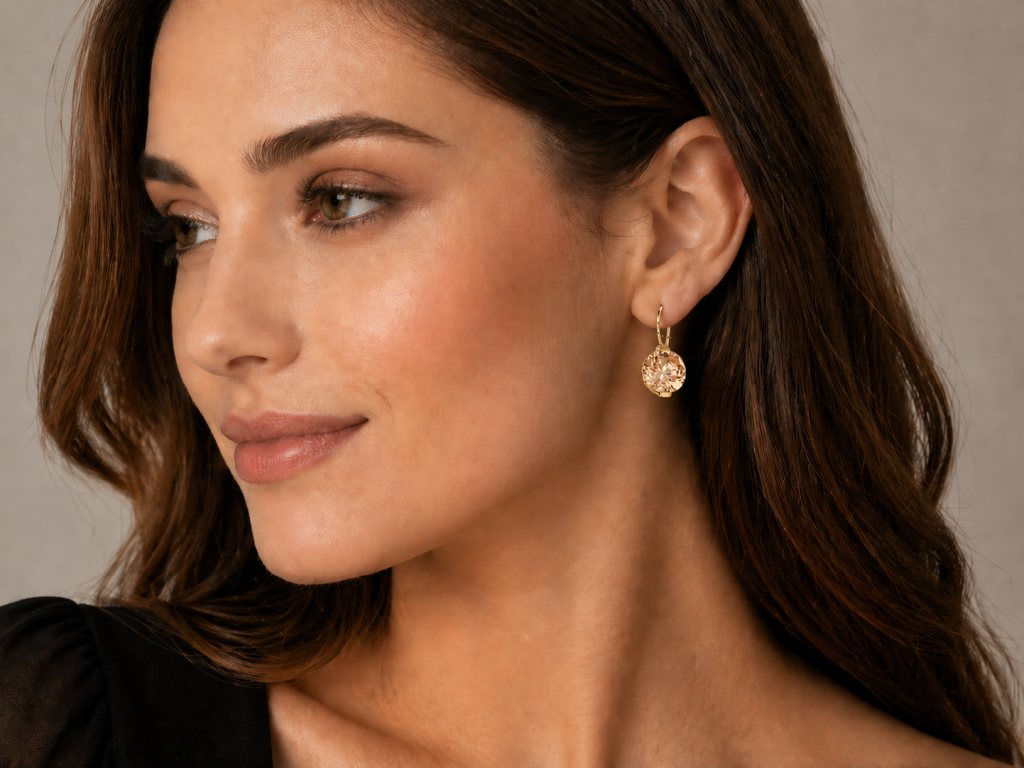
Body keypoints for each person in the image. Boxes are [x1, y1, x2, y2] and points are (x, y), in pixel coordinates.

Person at [0, 0, 1019, 764]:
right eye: (188, 228)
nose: (217, 332)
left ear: (677, 223)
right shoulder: (58, 731)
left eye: (341, 200)